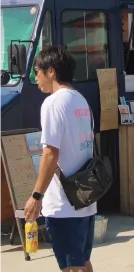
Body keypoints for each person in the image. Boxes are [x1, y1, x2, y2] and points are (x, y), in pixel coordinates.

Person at [24, 46, 96, 272]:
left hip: (63, 204)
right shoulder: (80, 100)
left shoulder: (53, 103)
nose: (35, 78)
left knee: (70, 267)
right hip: (85, 199)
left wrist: (36, 196)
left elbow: (50, 153)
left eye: (37, 71)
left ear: (51, 71)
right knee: (83, 261)